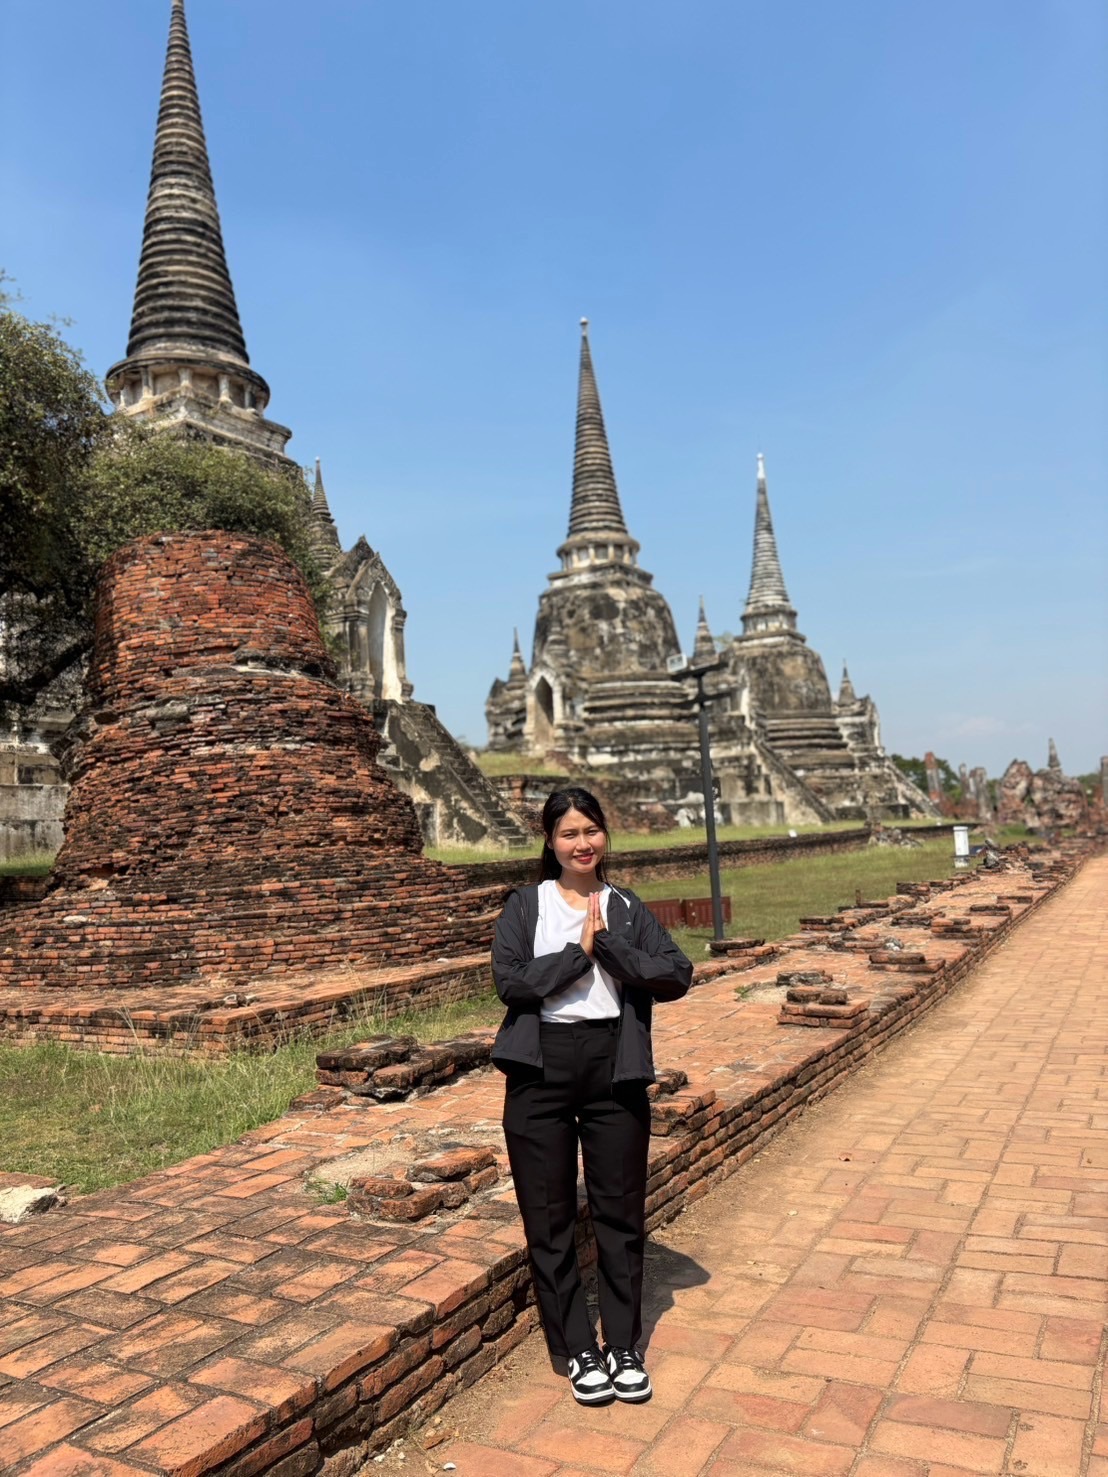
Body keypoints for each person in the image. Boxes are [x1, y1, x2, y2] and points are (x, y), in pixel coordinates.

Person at [491, 787, 692, 1406]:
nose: (583, 844)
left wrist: (608, 946)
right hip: (541, 1067)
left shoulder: (625, 906)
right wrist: (576, 955)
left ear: (605, 835)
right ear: (550, 842)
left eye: (591, 831)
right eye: (569, 833)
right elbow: (511, 983)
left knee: (619, 1211)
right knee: (548, 1216)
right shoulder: (526, 905)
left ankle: (623, 1346)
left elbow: (675, 974)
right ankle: (578, 1347)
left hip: (614, 1065)